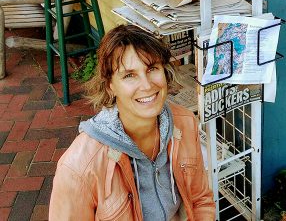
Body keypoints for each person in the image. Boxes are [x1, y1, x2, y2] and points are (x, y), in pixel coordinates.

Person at [49, 24, 216, 221]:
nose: (146, 85)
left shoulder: (185, 123)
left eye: (152, 68)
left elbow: (200, 200)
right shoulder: (79, 167)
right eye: (129, 75)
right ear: (110, 86)